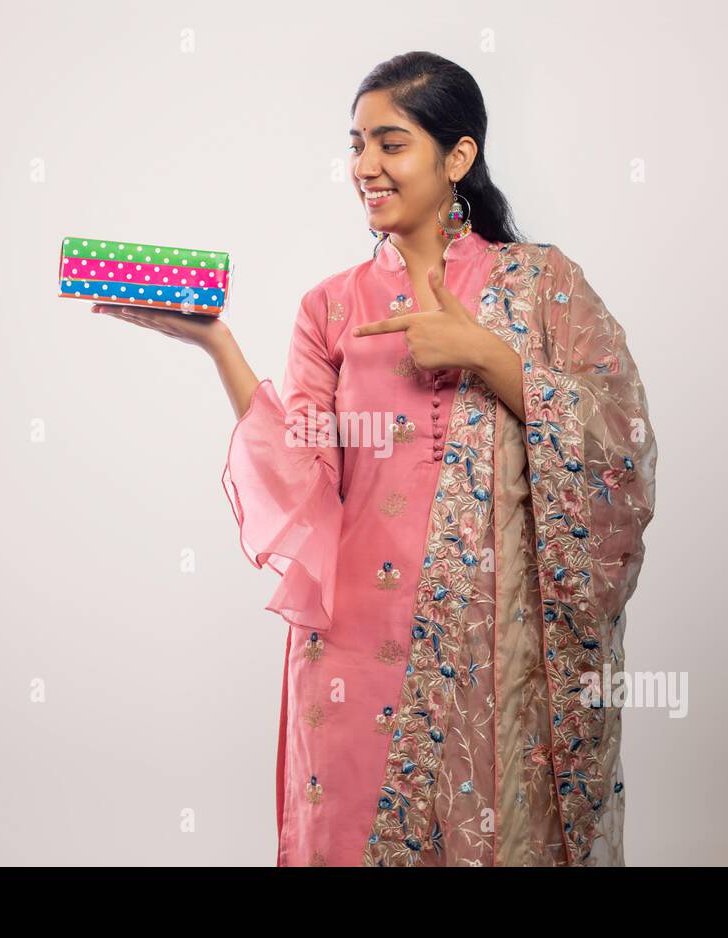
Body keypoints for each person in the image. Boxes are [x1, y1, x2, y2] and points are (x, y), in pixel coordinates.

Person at [93, 51, 658, 867]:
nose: (364, 167)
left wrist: (489, 357)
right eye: (356, 145)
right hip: (352, 645)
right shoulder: (330, 306)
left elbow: (621, 447)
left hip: (496, 646)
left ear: (457, 156)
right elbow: (305, 476)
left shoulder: (543, 287)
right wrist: (220, 348)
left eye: (389, 144)